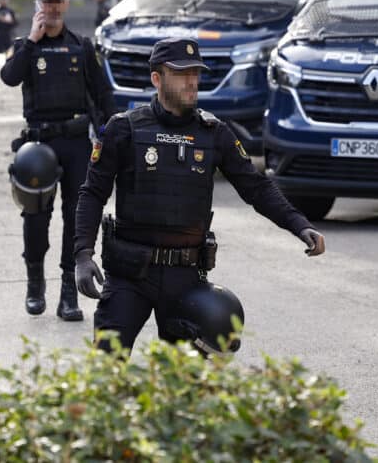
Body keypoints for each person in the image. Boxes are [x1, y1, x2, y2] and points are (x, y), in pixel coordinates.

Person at [73, 37, 326, 352]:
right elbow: (93, 193)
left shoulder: (213, 133)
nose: (192, 81)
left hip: (185, 277)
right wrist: (83, 254)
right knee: (107, 368)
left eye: (195, 72)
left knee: (189, 383)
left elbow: (256, 187)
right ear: (157, 79)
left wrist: (299, 224)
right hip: (129, 273)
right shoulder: (124, 129)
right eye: (181, 73)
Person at [0, 0, 116, 321]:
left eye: (57, 2)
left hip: (76, 142)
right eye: (45, 2)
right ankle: (35, 282)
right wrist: (31, 42)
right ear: (38, 6)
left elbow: (102, 92)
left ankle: (70, 292)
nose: (51, 8)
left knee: (75, 217)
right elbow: (9, 77)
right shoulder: (25, 45)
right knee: (36, 217)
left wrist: (110, 132)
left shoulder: (81, 46)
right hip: (38, 145)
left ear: (65, 5)